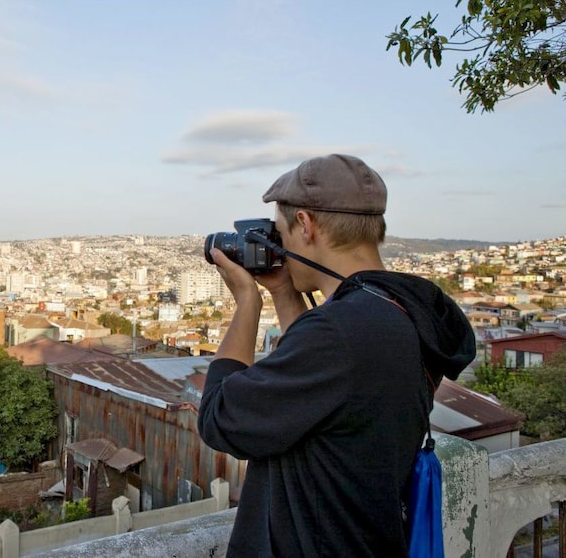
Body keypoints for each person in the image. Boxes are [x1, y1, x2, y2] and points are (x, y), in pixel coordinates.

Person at [197, 154, 475, 557]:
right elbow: (321, 388)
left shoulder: (339, 333)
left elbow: (219, 418)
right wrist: (283, 292)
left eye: (281, 233)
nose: (281, 246)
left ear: (306, 225)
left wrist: (247, 303)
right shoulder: (401, 311)